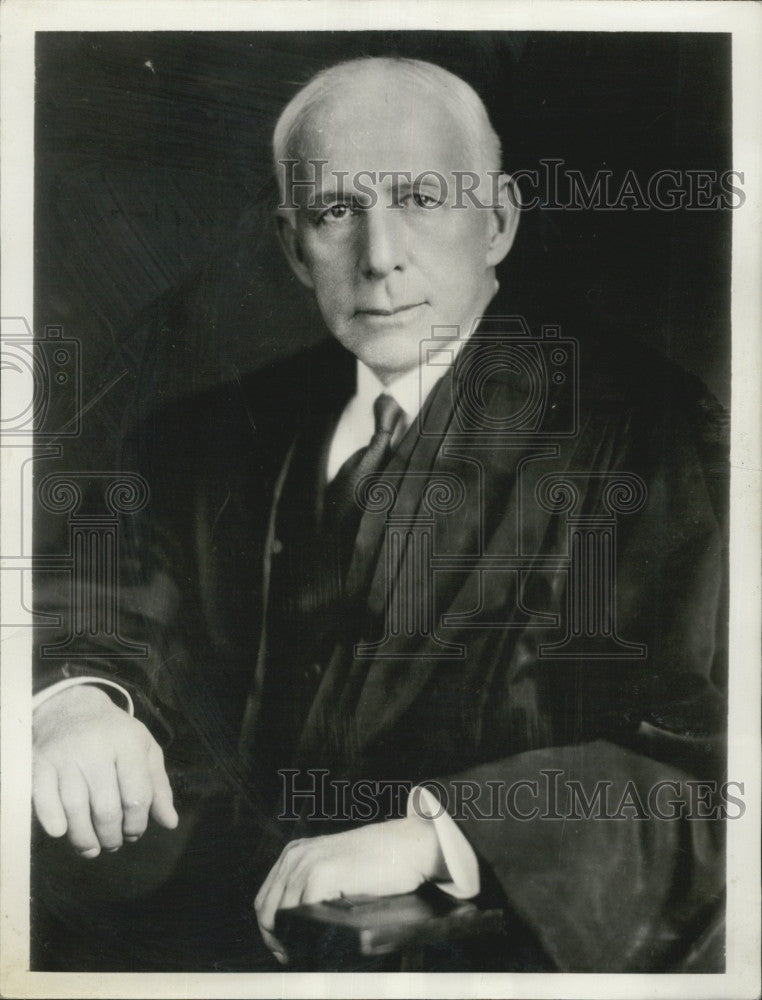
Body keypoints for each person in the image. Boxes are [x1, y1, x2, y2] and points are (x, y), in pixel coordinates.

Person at [31, 56, 728, 973]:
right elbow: (104, 607)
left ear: (500, 221)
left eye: (422, 199)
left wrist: (442, 834)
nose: (380, 255)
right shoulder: (209, 437)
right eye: (334, 212)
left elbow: (707, 772)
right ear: (292, 243)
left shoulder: (651, 436)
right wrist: (74, 704)